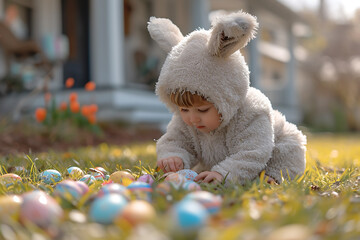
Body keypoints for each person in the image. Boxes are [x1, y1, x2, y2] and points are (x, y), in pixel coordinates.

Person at [147, 11, 306, 185]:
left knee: (288, 148)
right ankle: (220, 173)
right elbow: (174, 140)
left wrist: (225, 174)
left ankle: (273, 176)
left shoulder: (252, 111)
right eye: (184, 109)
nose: (192, 118)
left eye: (202, 109)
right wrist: (173, 156)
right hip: (224, 161)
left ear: (225, 99)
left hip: (274, 151)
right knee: (202, 169)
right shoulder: (185, 120)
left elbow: (254, 152)